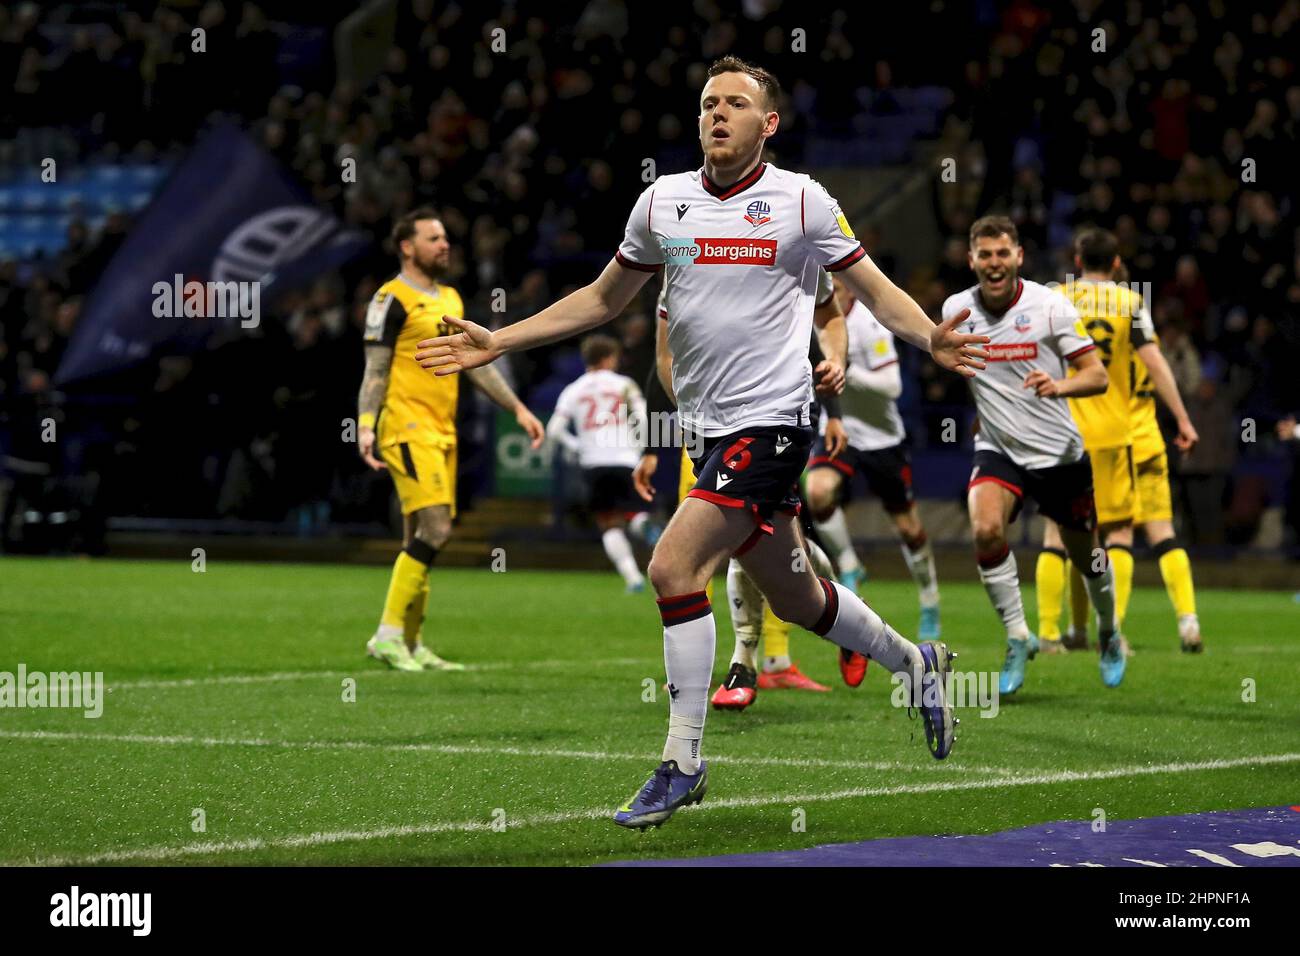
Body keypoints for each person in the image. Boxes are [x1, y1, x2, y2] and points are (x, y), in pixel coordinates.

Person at [417, 57, 987, 829]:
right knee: (798, 595)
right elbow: (602, 297)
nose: (717, 114)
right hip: (709, 430)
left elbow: (876, 291)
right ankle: (916, 665)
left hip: (775, 424)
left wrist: (928, 338)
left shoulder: (802, 200)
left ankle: (682, 760)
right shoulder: (663, 203)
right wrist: (501, 339)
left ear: (768, 124)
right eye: (708, 103)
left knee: (671, 566)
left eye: (735, 104)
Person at [357, 207, 544, 672]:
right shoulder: (390, 298)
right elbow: (376, 369)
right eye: (433, 238)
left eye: (445, 237)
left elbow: (474, 367)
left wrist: (517, 408)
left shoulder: (453, 300)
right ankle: (387, 635)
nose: (445, 244)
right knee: (437, 530)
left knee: (417, 537)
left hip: (442, 431)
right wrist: (364, 424)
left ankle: (412, 642)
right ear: (407, 246)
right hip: (405, 426)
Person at [943, 215, 1124, 693]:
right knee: (984, 530)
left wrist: (1058, 384)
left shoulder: (1050, 305)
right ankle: (1019, 637)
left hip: (1059, 454)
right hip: (999, 449)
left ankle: (1108, 629)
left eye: (1003, 253)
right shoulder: (957, 309)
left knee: (1089, 558)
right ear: (971, 260)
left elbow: (1098, 376)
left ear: (1019, 257)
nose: (994, 263)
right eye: (985, 255)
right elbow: (955, 363)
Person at [1037, 249, 1203, 653]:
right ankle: (1177, 625)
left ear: (1078, 259)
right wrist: (1182, 417)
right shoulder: (1132, 314)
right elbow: (1158, 366)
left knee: (1068, 533)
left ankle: (1058, 631)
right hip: (1133, 436)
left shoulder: (1058, 299)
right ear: (1115, 264)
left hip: (1074, 431)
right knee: (1151, 533)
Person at [805, 274, 942, 650]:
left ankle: (930, 602)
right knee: (817, 493)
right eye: (828, 280)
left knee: (910, 529)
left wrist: (845, 371)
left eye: (839, 280)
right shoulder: (807, 319)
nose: (833, 286)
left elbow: (892, 387)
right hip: (838, 429)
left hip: (883, 439)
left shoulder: (867, 324)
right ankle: (849, 564)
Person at [546, 333, 661, 591]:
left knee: (608, 522)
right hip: (626, 459)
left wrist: (577, 446)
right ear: (609, 359)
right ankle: (643, 524)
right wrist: (642, 448)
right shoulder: (624, 384)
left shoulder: (573, 389)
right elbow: (642, 418)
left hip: (593, 462)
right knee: (635, 510)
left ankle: (632, 578)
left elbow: (554, 430)